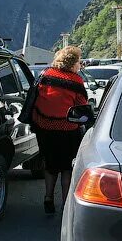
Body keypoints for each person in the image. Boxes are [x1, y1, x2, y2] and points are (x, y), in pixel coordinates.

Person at [32, 46, 89, 215]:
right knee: (67, 168)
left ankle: (48, 198)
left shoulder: (45, 75)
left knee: (50, 165)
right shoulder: (76, 81)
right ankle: (65, 205)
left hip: (45, 127)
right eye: (78, 61)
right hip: (67, 128)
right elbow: (81, 105)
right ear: (72, 62)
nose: (80, 64)